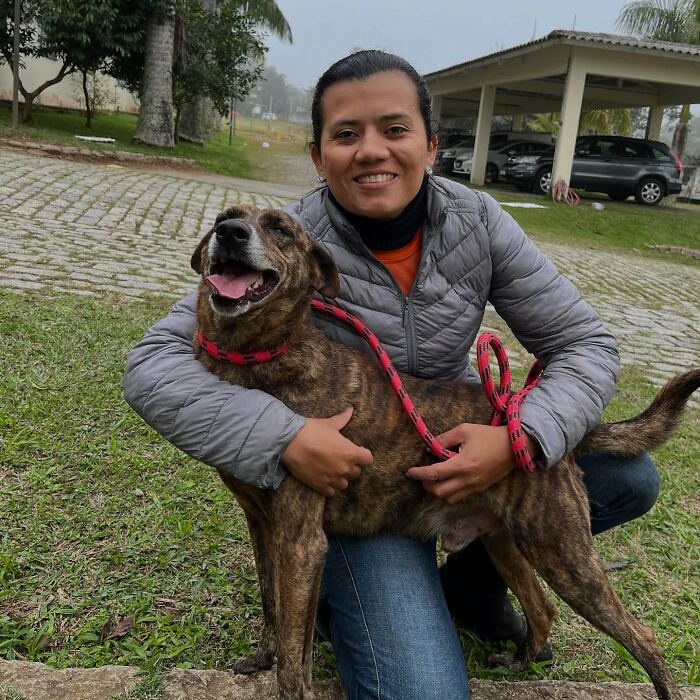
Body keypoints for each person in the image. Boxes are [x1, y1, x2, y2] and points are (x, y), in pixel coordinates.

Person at [123, 50, 660, 700]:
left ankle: (468, 581)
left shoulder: (478, 222)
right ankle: (354, 596)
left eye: (395, 129)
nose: (372, 150)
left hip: (450, 447)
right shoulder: (286, 243)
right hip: (361, 495)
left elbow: (585, 344)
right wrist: (283, 437)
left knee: (629, 474)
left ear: (432, 144)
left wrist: (521, 439)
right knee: (422, 689)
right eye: (346, 134)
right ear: (320, 156)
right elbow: (154, 365)